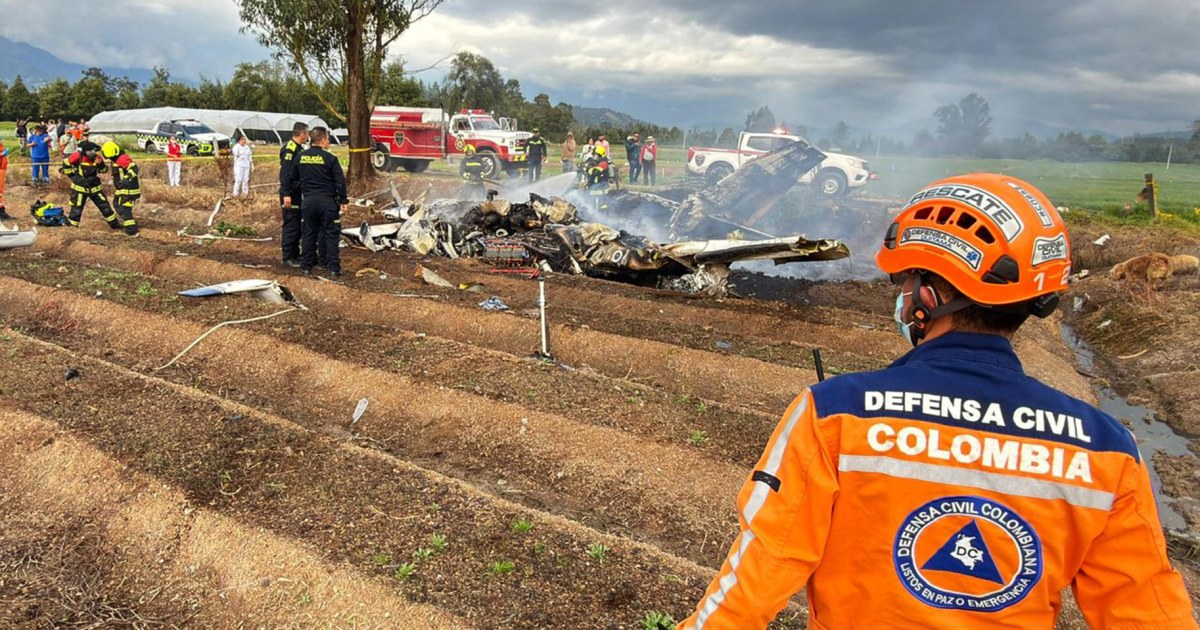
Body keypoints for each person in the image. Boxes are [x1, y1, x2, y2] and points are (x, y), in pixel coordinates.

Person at [680, 173, 1196, 630]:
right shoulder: (1106, 448)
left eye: (906, 280)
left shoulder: (834, 414)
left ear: (928, 298)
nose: (902, 296)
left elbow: (758, 575)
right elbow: (1146, 607)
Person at [294, 127, 347, 277]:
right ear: (323, 140)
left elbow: (293, 177)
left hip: (308, 201)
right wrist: (344, 200)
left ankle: (306, 267)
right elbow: (340, 182)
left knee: (308, 233)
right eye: (328, 139)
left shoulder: (300, 157)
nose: (328, 142)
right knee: (331, 234)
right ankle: (334, 268)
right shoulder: (330, 158)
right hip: (327, 202)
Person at [61, 140, 123, 232]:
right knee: (76, 208)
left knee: (105, 206)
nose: (92, 153)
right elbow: (66, 164)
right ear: (85, 151)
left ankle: (115, 225)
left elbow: (104, 170)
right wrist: (73, 176)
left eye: (93, 150)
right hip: (79, 188)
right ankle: (72, 229)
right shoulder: (77, 156)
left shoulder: (98, 158)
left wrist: (100, 164)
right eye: (90, 151)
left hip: (94, 187)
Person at [278, 122, 310, 268]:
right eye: (307, 133)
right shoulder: (290, 150)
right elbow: (285, 174)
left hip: (297, 192)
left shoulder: (298, 149)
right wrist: (286, 194)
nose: (308, 136)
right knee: (291, 224)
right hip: (290, 193)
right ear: (302, 134)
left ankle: (295, 254)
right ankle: (288, 257)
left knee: (297, 224)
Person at [100, 141, 141, 236]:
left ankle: (132, 231)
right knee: (117, 205)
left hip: (128, 189)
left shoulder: (122, 159)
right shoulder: (117, 159)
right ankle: (130, 224)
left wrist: (125, 180)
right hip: (122, 189)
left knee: (123, 208)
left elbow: (134, 168)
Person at [0, 136, 10, 221]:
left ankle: (1, 211)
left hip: (2, 168)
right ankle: (1, 212)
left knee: (1, 191)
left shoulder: (1, 145)